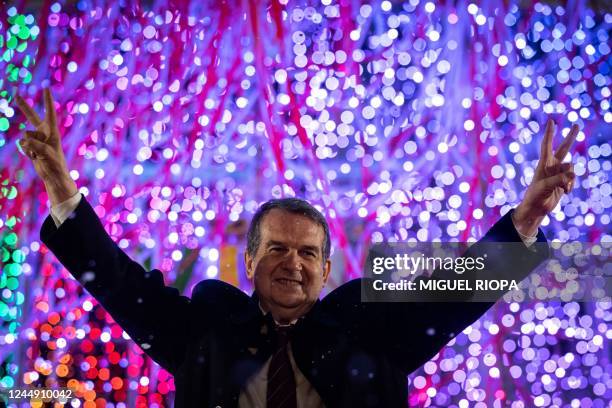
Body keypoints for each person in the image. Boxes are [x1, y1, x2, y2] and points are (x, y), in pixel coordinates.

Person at [16, 89, 578, 407]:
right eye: (279, 249)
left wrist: (525, 219)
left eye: (308, 253)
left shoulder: (366, 324)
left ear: (326, 268)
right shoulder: (209, 324)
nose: (294, 262)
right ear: (252, 262)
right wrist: (64, 193)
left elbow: (453, 297)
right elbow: (125, 288)